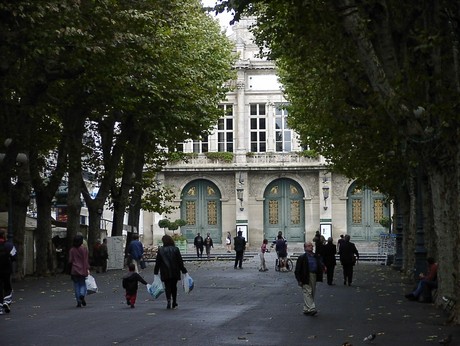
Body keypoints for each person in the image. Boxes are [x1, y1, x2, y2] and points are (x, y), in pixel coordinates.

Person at [154, 235, 188, 309]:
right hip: (175, 270)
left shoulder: (161, 250)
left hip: (165, 271)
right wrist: (183, 270)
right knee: (174, 286)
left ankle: (168, 300)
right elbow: (180, 261)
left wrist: (156, 271)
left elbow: (158, 262)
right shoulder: (176, 249)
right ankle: (174, 301)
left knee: (167, 286)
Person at [294, 241, 325, 316]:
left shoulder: (315, 256)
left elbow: (319, 263)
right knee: (308, 291)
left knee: (312, 292)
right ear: (305, 248)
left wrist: (323, 267)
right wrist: (299, 280)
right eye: (309, 246)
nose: (311, 247)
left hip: (313, 275)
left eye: (311, 245)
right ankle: (311, 308)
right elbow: (297, 270)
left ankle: (306, 308)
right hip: (305, 276)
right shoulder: (302, 257)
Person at [68, 234, 90, 308]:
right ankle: (82, 294)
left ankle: (78, 301)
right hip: (83, 269)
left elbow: (70, 260)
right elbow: (86, 260)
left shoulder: (72, 250)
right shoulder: (84, 249)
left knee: (76, 285)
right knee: (83, 284)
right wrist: (87, 268)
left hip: (74, 270)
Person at [0, 229, 17, 314]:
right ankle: (6, 301)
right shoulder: (9, 245)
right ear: (4, 235)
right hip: (6, 268)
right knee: (7, 286)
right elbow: (14, 257)